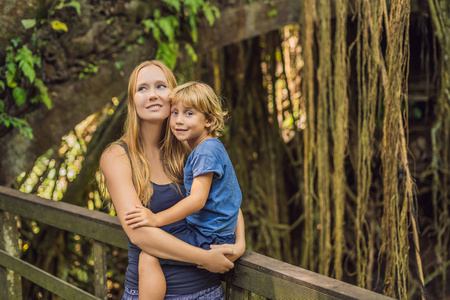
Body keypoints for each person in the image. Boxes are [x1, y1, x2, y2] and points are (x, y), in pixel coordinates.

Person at [100, 61, 246, 300]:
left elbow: (226, 198)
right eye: (142, 89)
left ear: (174, 95)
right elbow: (140, 234)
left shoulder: (190, 149)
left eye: (160, 86)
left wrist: (238, 245)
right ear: (132, 99)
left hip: (206, 291)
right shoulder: (117, 157)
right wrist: (205, 258)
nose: (153, 95)